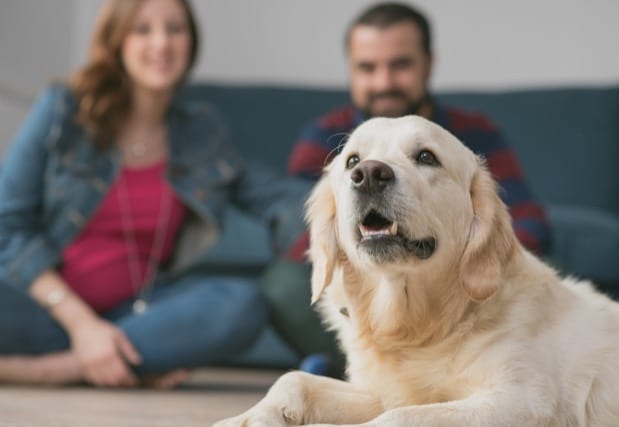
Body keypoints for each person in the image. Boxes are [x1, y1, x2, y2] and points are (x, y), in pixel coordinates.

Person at [0, 0, 309, 388]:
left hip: (137, 316)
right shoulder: (63, 108)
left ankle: (74, 366)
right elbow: (8, 225)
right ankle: (66, 368)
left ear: (191, 43)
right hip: (43, 306)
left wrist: (344, 203)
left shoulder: (200, 132)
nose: (161, 43)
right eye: (142, 30)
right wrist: (82, 326)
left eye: (175, 29)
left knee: (241, 306)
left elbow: (272, 195)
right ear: (116, 42)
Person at [263, 2, 552, 377]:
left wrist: (477, 258)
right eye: (367, 68)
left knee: (538, 274)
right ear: (351, 70)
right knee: (282, 286)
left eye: (400, 65)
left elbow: (527, 217)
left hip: (455, 292)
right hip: (360, 288)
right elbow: (301, 226)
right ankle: (361, 370)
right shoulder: (324, 135)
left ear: (428, 64)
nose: (384, 82)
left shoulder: (475, 132)